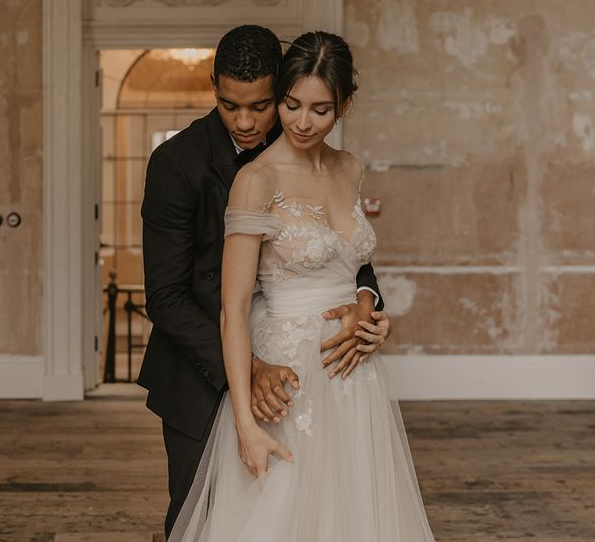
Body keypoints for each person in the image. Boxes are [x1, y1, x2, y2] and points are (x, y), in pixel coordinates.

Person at [168, 31, 434, 541]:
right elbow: (232, 308)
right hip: (288, 378)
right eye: (291, 105)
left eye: (320, 109)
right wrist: (245, 423)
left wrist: (369, 310)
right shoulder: (257, 179)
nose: (303, 122)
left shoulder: (350, 167)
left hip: (356, 376)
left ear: (345, 105)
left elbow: (352, 264)